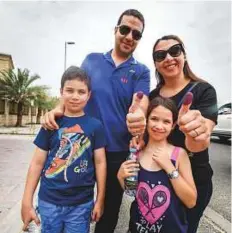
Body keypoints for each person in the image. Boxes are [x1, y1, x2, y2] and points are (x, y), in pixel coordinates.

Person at [41, 9, 150, 233]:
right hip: (81, 145)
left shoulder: (141, 71)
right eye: (125, 29)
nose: (129, 36)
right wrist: (56, 109)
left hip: (116, 152)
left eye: (136, 34)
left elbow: (142, 103)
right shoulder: (91, 60)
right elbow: (76, 90)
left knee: (107, 212)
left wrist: (139, 115)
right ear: (116, 30)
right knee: (70, 204)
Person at [127, 35, 218, 233]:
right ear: (156, 64)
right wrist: (137, 135)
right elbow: (143, 135)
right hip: (154, 176)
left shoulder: (204, 90)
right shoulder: (152, 97)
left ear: (184, 54)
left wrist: (195, 133)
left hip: (193, 176)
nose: (168, 58)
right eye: (160, 55)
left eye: (174, 51)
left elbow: (203, 137)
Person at [21, 66, 107, 233]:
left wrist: (100, 200)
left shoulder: (95, 126)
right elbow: (37, 163)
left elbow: (100, 163)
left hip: (81, 205)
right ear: (61, 92)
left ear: (89, 95)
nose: (75, 96)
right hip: (48, 202)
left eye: (81, 92)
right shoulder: (50, 124)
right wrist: (26, 200)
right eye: (69, 90)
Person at [118, 96, 197, 233]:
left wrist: (169, 167)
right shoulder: (137, 154)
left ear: (173, 126)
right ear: (146, 120)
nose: (159, 126)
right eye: (154, 119)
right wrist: (121, 177)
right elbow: (133, 193)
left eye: (166, 121)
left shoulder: (178, 155)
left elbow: (191, 201)